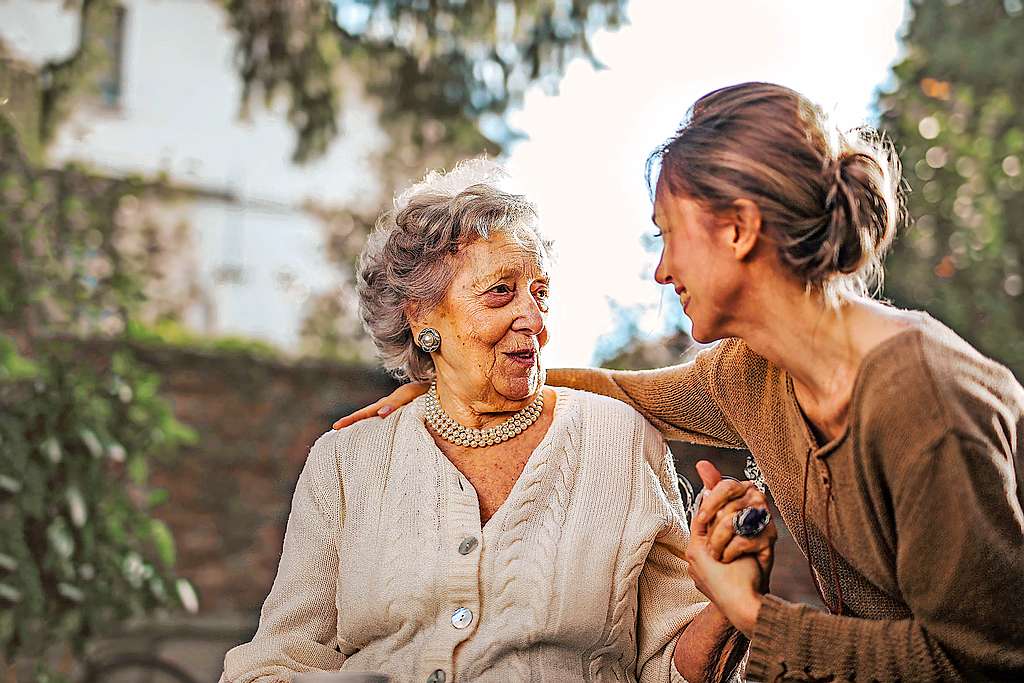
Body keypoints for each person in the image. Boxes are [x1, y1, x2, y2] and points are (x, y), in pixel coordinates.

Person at [333, 84, 1024, 681]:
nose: (662, 271)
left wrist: (752, 612)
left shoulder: (921, 398)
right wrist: (455, 385)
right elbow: (624, 391)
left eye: (668, 234)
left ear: (739, 229)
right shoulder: (753, 372)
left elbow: (984, 660)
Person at [221, 160, 776, 683]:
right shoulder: (348, 461)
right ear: (421, 315)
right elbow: (278, 658)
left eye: (541, 294)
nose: (533, 320)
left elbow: (669, 666)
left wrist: (729, 604)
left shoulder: (619, 440)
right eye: (500, 293)